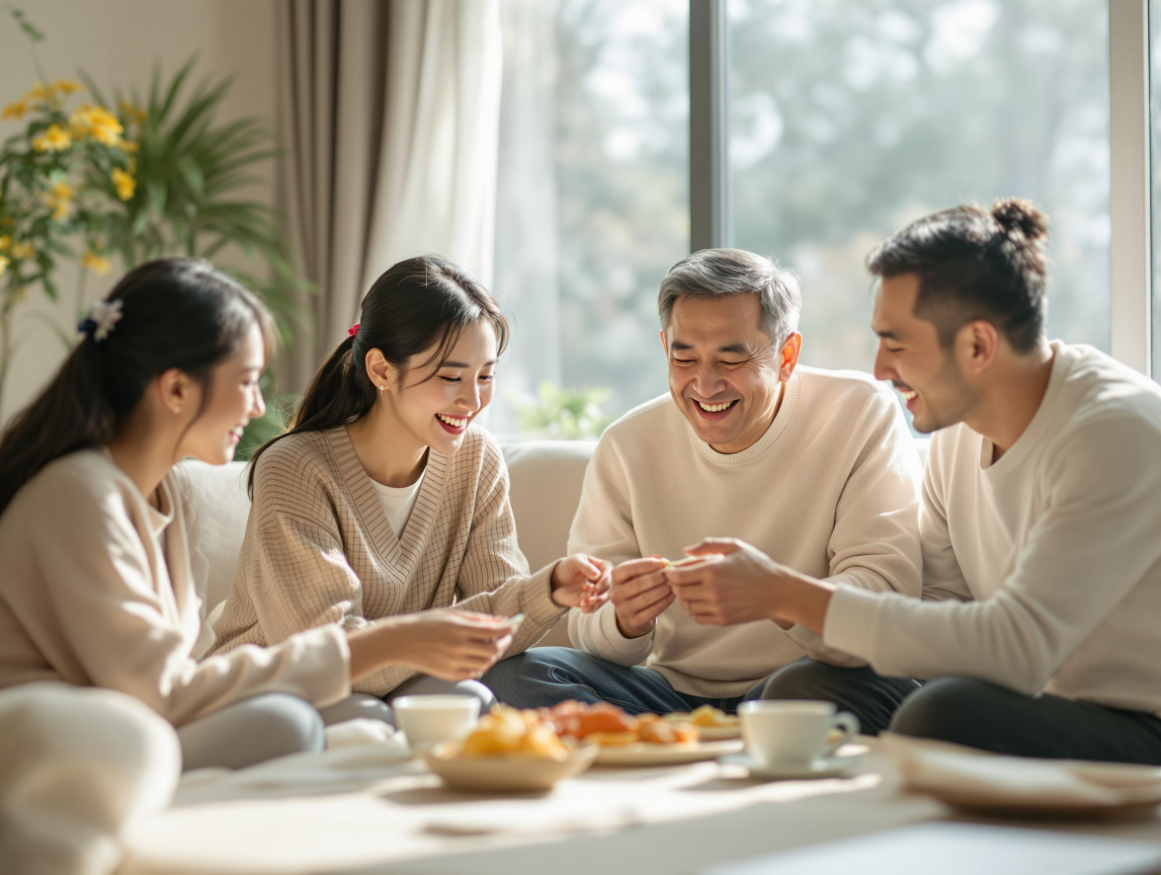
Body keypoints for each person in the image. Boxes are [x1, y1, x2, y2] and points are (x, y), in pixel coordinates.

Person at [666, 200, 1161, 764]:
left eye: (896, 345)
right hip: (1023, 698)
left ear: (978, 345)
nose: (879, 369)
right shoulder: (958, 432)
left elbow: (1017, 646)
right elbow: (936, 608)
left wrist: (785, 591)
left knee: (942, 713)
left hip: (1136, 719)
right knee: (803, 691)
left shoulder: (1113, 432)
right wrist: (786, 608)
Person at [0, 258, 487, 771]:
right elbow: (161, 693)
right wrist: (382, 644)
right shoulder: (78, 495)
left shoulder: (160, 492)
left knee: (380, 711)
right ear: (177, 389)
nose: (257, 407)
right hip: (57, 745)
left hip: (135, 729)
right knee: (287, 724)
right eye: (247, 381)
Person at [484, 248, 923, 733]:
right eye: (684, 357)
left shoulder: (858, 413)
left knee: (819, 689)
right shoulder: (628, 444)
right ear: (664, 348)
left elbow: (883, 599)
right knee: (513, 676)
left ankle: (711, 742)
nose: (705, 384)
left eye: (731, 359)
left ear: (787, 355)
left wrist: (775, 597)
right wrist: (626, 620)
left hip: (798, 684)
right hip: (667, 696)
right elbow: (592, 628)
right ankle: (705, 740)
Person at [211, 255, 610, 726]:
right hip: (278, 693)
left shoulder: (474, 457)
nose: (473, 399)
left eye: (485, 375)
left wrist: (550, 589)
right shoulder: (295, 470)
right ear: (381, 370)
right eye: (449, 377)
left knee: (474, 698)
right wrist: (441, 640)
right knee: (372, 719)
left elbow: (495, 625)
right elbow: (325, 653)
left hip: (395, 681)